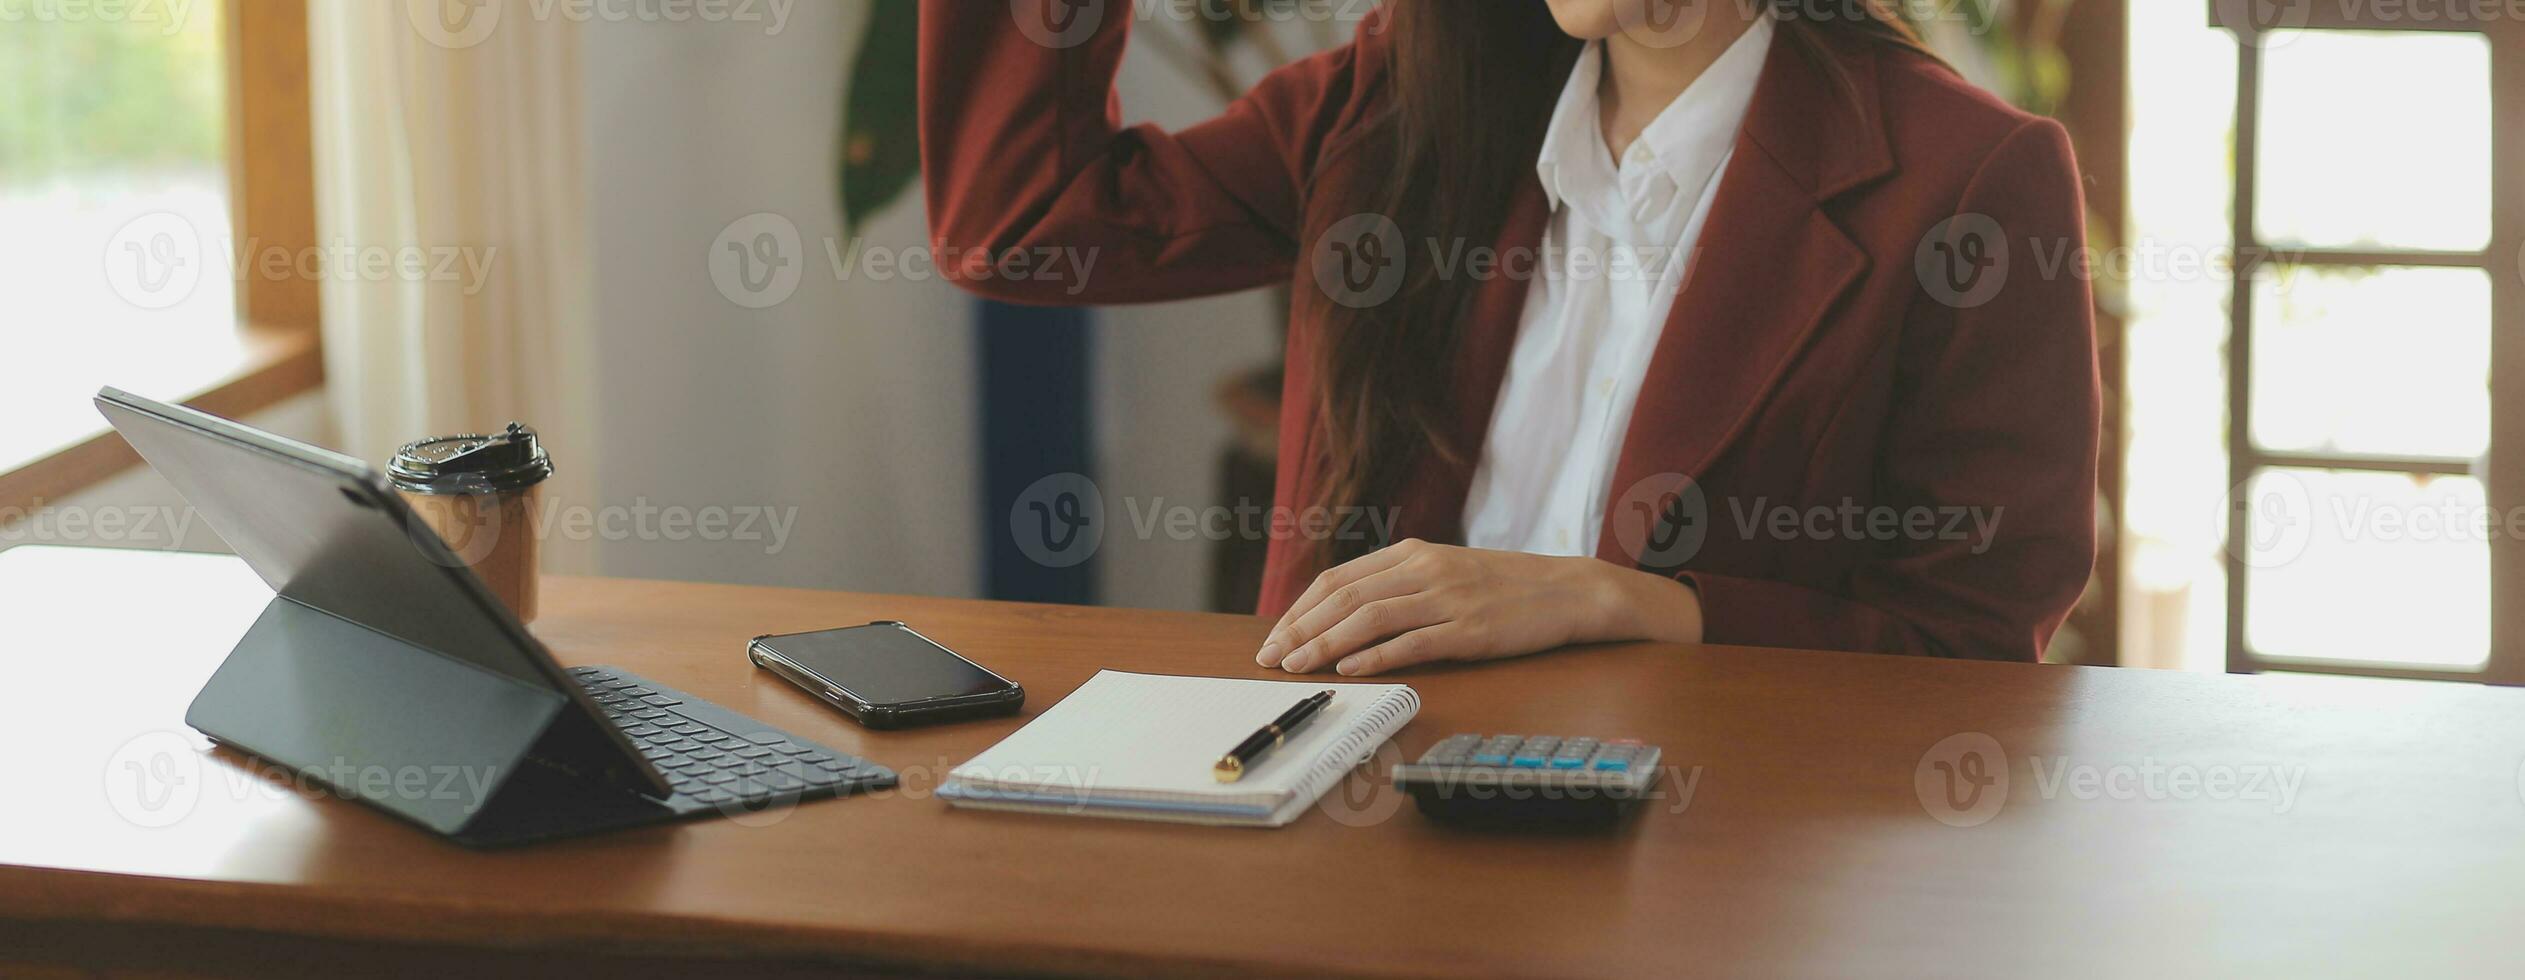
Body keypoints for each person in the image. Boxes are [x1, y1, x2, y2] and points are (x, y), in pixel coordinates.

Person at [919, 0, 2098, 674]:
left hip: (1719, 879)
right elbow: (1021, 223)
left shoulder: (1965, 177)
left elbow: (1969, 641)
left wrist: (1633, 602)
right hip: (1342, 843)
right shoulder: (1402, 92)